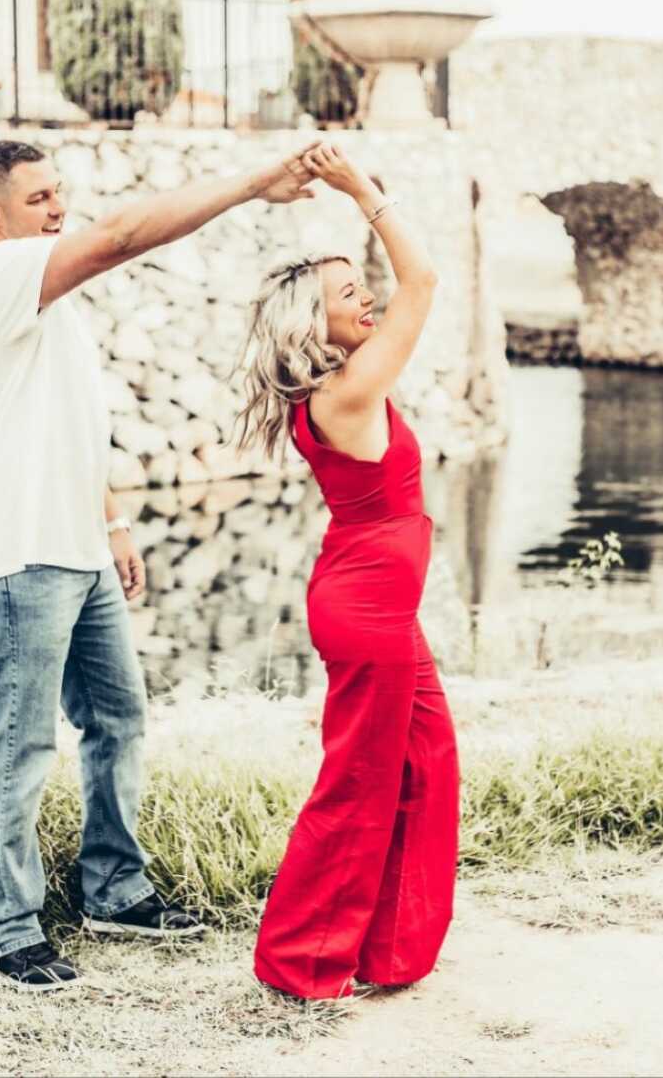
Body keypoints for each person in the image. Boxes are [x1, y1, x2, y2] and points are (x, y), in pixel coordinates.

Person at [0, 138, 315, 992]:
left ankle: (113, 888)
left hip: (77, 546)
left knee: (118, 719)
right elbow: (119, 237)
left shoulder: (50, 302)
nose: (58, 207)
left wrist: (113, 521)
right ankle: (6, 932)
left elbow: (67, 423)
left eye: (60, 191)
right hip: (18, 553)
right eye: (38, 197)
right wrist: (256, 183)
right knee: (19, 743)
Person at [233, 142, 460, 1000]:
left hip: (377, 604)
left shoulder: (333, 384)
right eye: (345, 294)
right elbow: (425, 281)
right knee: (359, 783)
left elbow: (399, 288)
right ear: (313, 324)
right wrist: (363, 189)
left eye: (360, 286)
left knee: (426, 761)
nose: (364, 296)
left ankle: (389, 949)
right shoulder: (348, 392)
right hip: (366, 609)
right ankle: (300, 964)